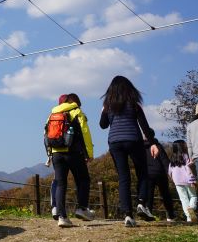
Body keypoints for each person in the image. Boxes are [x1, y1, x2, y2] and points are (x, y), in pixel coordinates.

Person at [99, 76, 160, 227]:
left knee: (123, 177)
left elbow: (102, 125)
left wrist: (103, 112)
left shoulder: (108, 106)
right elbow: (145, 127)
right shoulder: (134, 105)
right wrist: (153, 143)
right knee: (142, 172)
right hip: (133, 140)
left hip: (115, 142)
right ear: (129, 88)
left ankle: (128, 215)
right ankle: (141, 203)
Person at [47, 93, 95, 227]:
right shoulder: (77, 112)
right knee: (83, 179)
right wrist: (89, 153)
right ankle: (82, 208)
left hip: (57, 153)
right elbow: (86, 133)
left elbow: (47, 134)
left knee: (61, 184)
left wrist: (50, 153)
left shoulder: (52, 114)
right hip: (73, 153)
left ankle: (62, 217)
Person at [144, 139, 177, 222]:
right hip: (160, 172)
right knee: (165, 194)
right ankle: (170, 215)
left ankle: (148, 213)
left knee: (149, 195)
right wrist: (170, 173)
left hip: (147, 173)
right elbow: (164, 160)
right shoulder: (158, 146)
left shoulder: (141, 147)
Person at [168, 140, 198, 222]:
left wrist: (174, 181)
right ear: (182, 146)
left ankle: (189, 217)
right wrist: (193, 180)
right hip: (188, 180)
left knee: (183, 199)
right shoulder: (187, 156)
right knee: (193, 196)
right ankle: (191, 208)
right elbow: (189, 169)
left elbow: (170, 172)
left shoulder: (172, 159)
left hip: (178, 182)